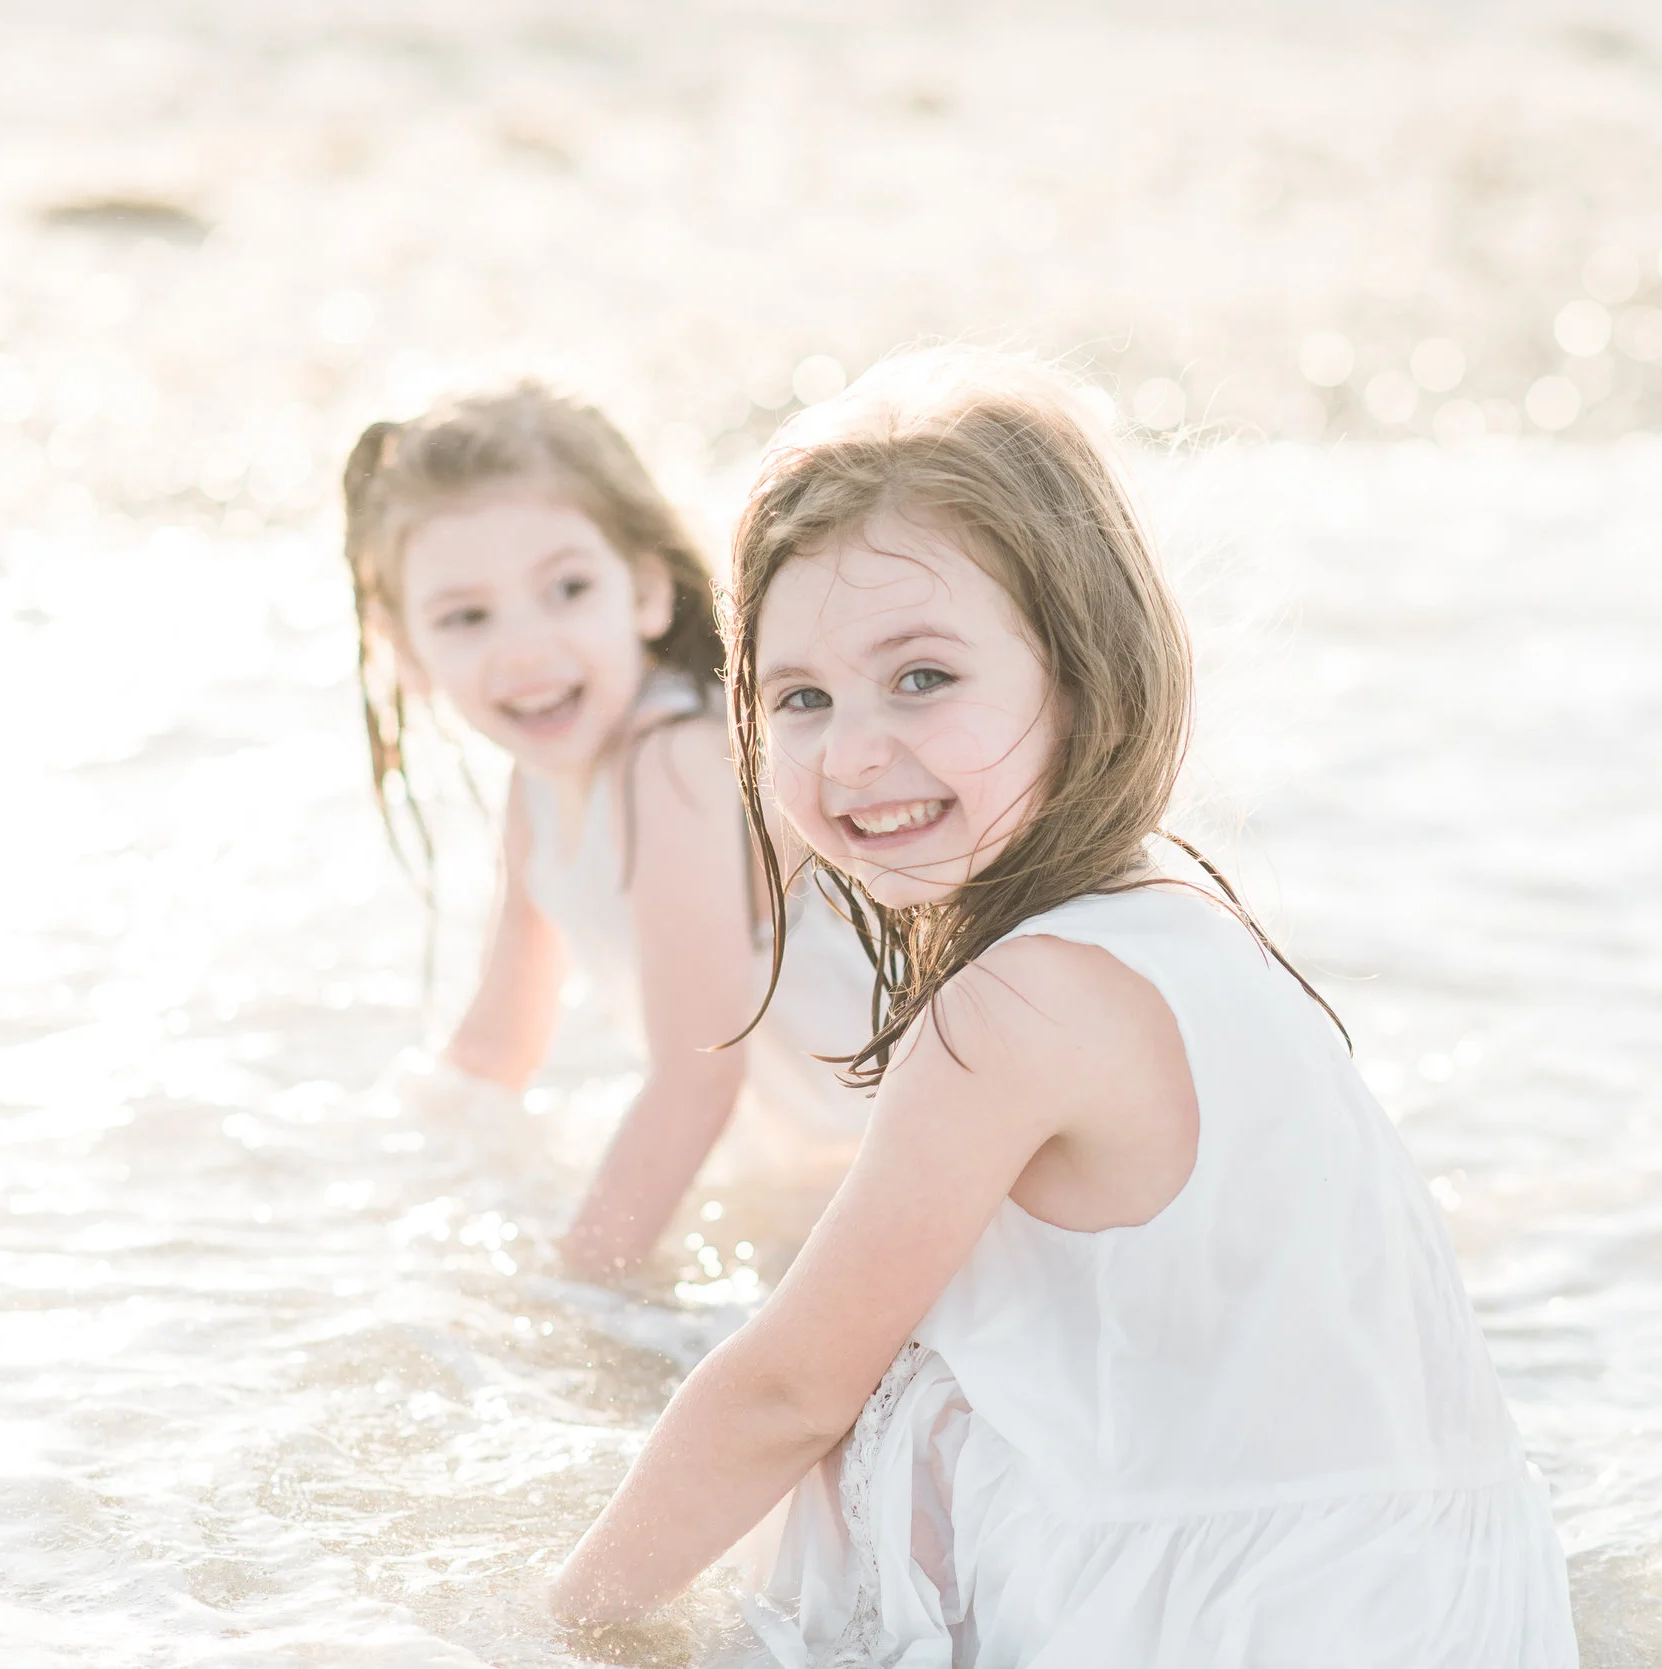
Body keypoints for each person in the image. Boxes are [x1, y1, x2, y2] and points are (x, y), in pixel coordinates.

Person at [548, 349, 1580, 1666]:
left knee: (857, 1412)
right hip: (1437, 1599)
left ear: (1085, 673)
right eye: (799, 696)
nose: (855, 750)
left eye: (923, 677)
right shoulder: (1185, 923)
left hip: (1252, 1626)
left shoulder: (1020, 1006)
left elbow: (784, 1387)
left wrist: (564, 1619)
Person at [339, 386, 873, 1284]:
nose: (525, 649)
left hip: (877, 1164)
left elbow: (697, 1080)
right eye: (466, 617)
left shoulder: (673, 765)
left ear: (647, 589)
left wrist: (578, 1289)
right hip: (794, 1173)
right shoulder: (538, 786)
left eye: (568, 589)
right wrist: (391, 1180)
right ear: (404, 649)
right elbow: (500, 1044)